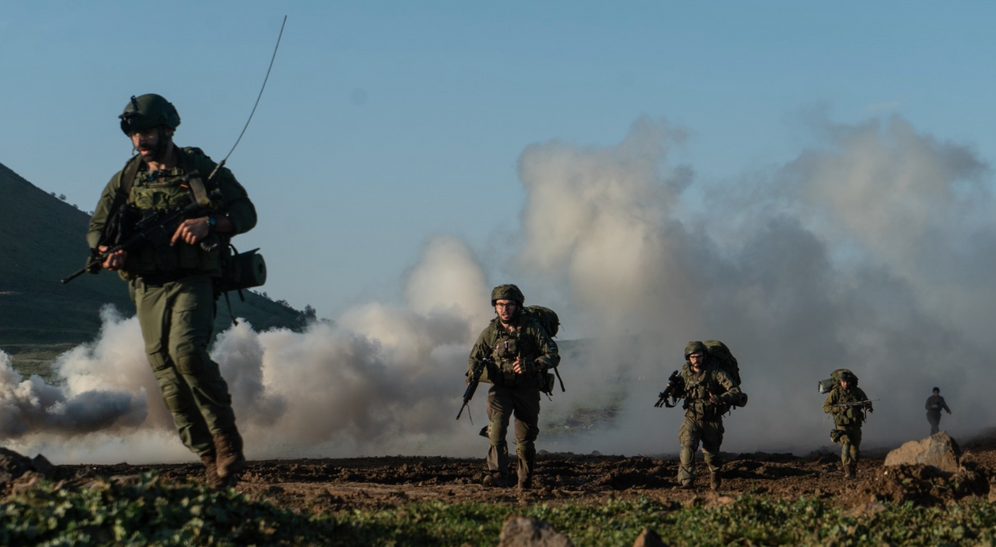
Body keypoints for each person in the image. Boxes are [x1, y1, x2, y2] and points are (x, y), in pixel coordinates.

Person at [87, 94, 257, 488]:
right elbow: (97, 227)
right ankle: (208, 456)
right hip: (146, 286)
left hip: (193, 279)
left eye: (147, 131)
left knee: (186, 352)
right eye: (134, 133)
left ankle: (226, 439)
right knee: (165, 370)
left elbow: (246, 213)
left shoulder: (198, 168)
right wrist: (107, 250)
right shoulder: (127, 178)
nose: (140, 140)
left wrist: (209, 223)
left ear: (167, 130)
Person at [467, 284, 560, 490]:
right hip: (501, 388)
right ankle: (497, 474)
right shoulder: (491, 332)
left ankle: (524, 482)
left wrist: (533, 365)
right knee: (497, 428)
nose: (504, 309)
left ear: (518, 306)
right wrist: (473, 372)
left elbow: (553, 355)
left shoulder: (532, 328)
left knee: (524, 440)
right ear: (494, 306)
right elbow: (474, 357)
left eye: (509, 304)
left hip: (527, 388)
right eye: (500, 305)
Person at [674, 341, 744, 490]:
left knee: (711, 455)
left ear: (704, 356)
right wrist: (673, 390)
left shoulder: (715, 372)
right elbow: (681, 392)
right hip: (692, 417)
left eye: (698, 356)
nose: (696, 360)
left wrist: (721, 398)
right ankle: (687, 481)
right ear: (688, 358)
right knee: (687, 447)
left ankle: (715, 472)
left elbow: (735, 391)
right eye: (692, 357)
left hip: (712, 419)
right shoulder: (686, 373)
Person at [822, 369, 873, 479]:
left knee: (855, 451)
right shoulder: (836, 392)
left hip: (855, 424)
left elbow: (866, 401)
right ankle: (847, 471)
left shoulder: (857, 391)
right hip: (842, 425)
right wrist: (839, 409)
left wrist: (868, 407)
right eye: (843, 381)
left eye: (847, 382)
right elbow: (826, 406)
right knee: (846, 445)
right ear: (840, 381)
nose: (845, 384)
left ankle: (853, 467)